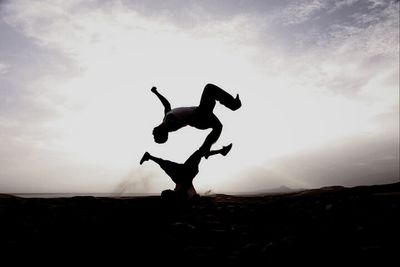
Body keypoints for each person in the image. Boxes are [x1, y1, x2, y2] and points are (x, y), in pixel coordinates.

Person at [151, 83, 241, 158]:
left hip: (199, 116)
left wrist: (156, 93)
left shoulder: (165, 119)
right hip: (199, 115)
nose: (152, 133)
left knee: (218, 127)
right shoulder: (168, 125)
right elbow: (178, 123)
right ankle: (234, 105)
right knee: (209, 88)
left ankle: (211, 150)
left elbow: (166, 104)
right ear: (161, 132)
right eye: (154, 135)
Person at [139, 143, 233, 200]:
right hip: (186, 171)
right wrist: (204, 194)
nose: (170, 190)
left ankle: (216, 152)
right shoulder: (184, 190)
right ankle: (219, 152)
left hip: (183, 172)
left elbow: (194, 194)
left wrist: (203, 194)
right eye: (170, 191)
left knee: (199, 153)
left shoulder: (181, 187)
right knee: (199, 153)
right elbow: (195, 195)